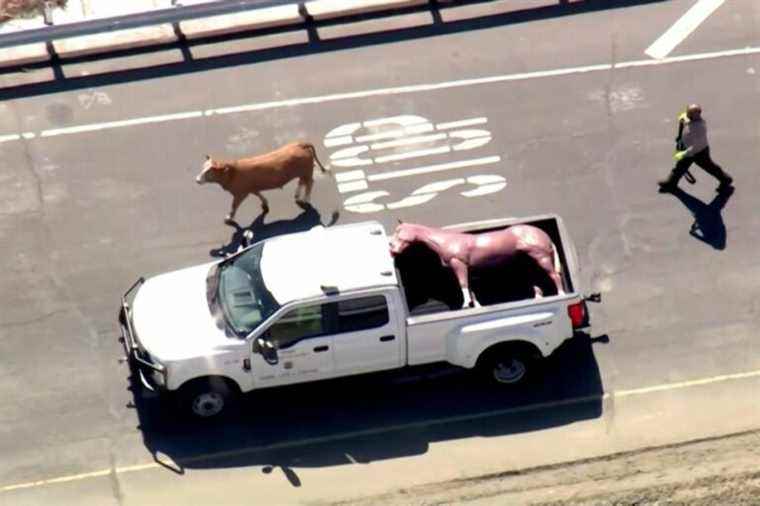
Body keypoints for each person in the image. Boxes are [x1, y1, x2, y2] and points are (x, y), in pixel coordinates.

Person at [658, 104, 733, 193]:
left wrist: (683, 153)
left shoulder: (698, 128)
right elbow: (682, 120)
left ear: (697, 115)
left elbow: (696, 147)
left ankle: (725, 179)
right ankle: (671, 183)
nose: (687, 115)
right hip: (690, 149)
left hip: (699, 152)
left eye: (690, 114)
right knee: (680, 167)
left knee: (709, 167)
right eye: (688, 113)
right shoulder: (690, 118)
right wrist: (679, 136)